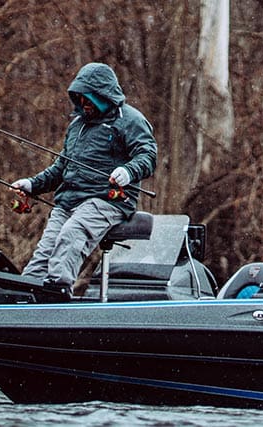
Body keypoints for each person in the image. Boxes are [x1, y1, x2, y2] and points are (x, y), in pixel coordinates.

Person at [11, 62, 157, 297]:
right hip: (69, 201)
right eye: (79, 98)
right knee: (46, 249)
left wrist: (128, 171)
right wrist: (33, 184)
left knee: (72, 233)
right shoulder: (77, 124)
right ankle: (27, 294)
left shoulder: (130, 120)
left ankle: (56, 292)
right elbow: (61, 167)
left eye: (88, 98)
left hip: (106, 201)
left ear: (103, 95)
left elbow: (148, 155)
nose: (83, 104)